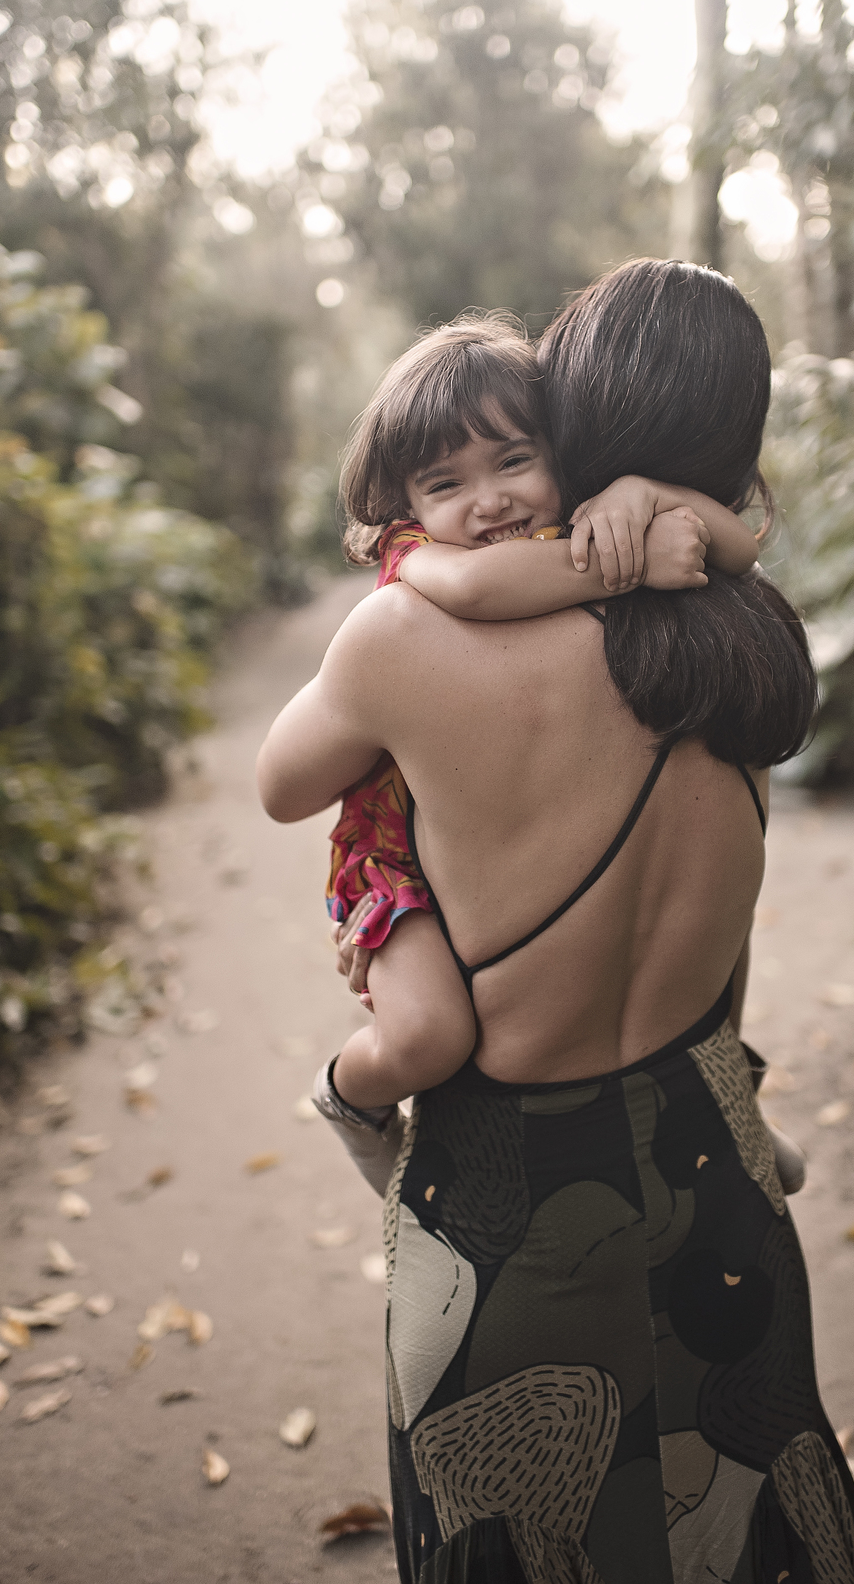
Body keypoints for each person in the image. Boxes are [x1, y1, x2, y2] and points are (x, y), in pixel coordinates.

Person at [257, 261, 854, 1584]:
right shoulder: (747, 646)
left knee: (521, 1544)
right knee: (746, 1526)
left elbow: (283, 783)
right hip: (715, 1155)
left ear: (575, 433)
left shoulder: (398, 641)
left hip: (508, 1189)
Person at [307, 318, 759, 1179]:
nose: (490, 502)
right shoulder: (426, 557)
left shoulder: (583, 522)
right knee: (431, 1034)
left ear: (561, 453)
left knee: (711, 915)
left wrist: (650, 495)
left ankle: (733, 1084)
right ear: (407, 504)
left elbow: (743, 552)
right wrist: (631, 563)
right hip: (392, 851)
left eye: (515, 461)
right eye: (447, 482)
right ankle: (350, 1095)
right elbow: (479, 588)